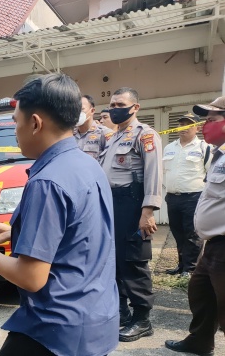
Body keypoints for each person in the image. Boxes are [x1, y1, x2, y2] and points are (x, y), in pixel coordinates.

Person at [0, 74, 119, 356]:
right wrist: (14, 232)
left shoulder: (46, 182)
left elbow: (31, 277)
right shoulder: (87, 165)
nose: (14, 130)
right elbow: (79, 231)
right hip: (96, 317)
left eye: (15, 121)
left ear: (35, 123)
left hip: (56, 329)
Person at [99, 87, 163, 342]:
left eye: (120, 104)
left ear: (135, 107)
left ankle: (142, 319)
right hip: (112, 205)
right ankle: (123, 313)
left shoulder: (145, 135)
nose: (114, 108)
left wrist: (148, 212)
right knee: (115, 261)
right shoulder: (113, 137)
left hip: (133, 204)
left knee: (134, 262)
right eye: (112, 104)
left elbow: (154, 173)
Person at [165, 97, 225, 356]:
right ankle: (200, 341)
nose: (205, 126)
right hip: (213, 245)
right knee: (200, 292)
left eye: (212, 120)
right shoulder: (219, 154)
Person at [162, 112, 211, 277]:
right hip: (172, 198)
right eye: (181, 124)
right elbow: (163, 172)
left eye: (188, 124)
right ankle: (182, 265)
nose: (183, 127)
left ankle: (191, 269)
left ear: (197, 128)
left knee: (192, 234)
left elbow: (210, 174)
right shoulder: (169, 148)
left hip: (193, 198)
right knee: (177, 233)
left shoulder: (204, 147)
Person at [73, 94, 113, 159]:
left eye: (81, 109)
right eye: (74, 109)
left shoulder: (104, 133)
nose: (77, 113)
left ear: (92, 111)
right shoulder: (69, 135)